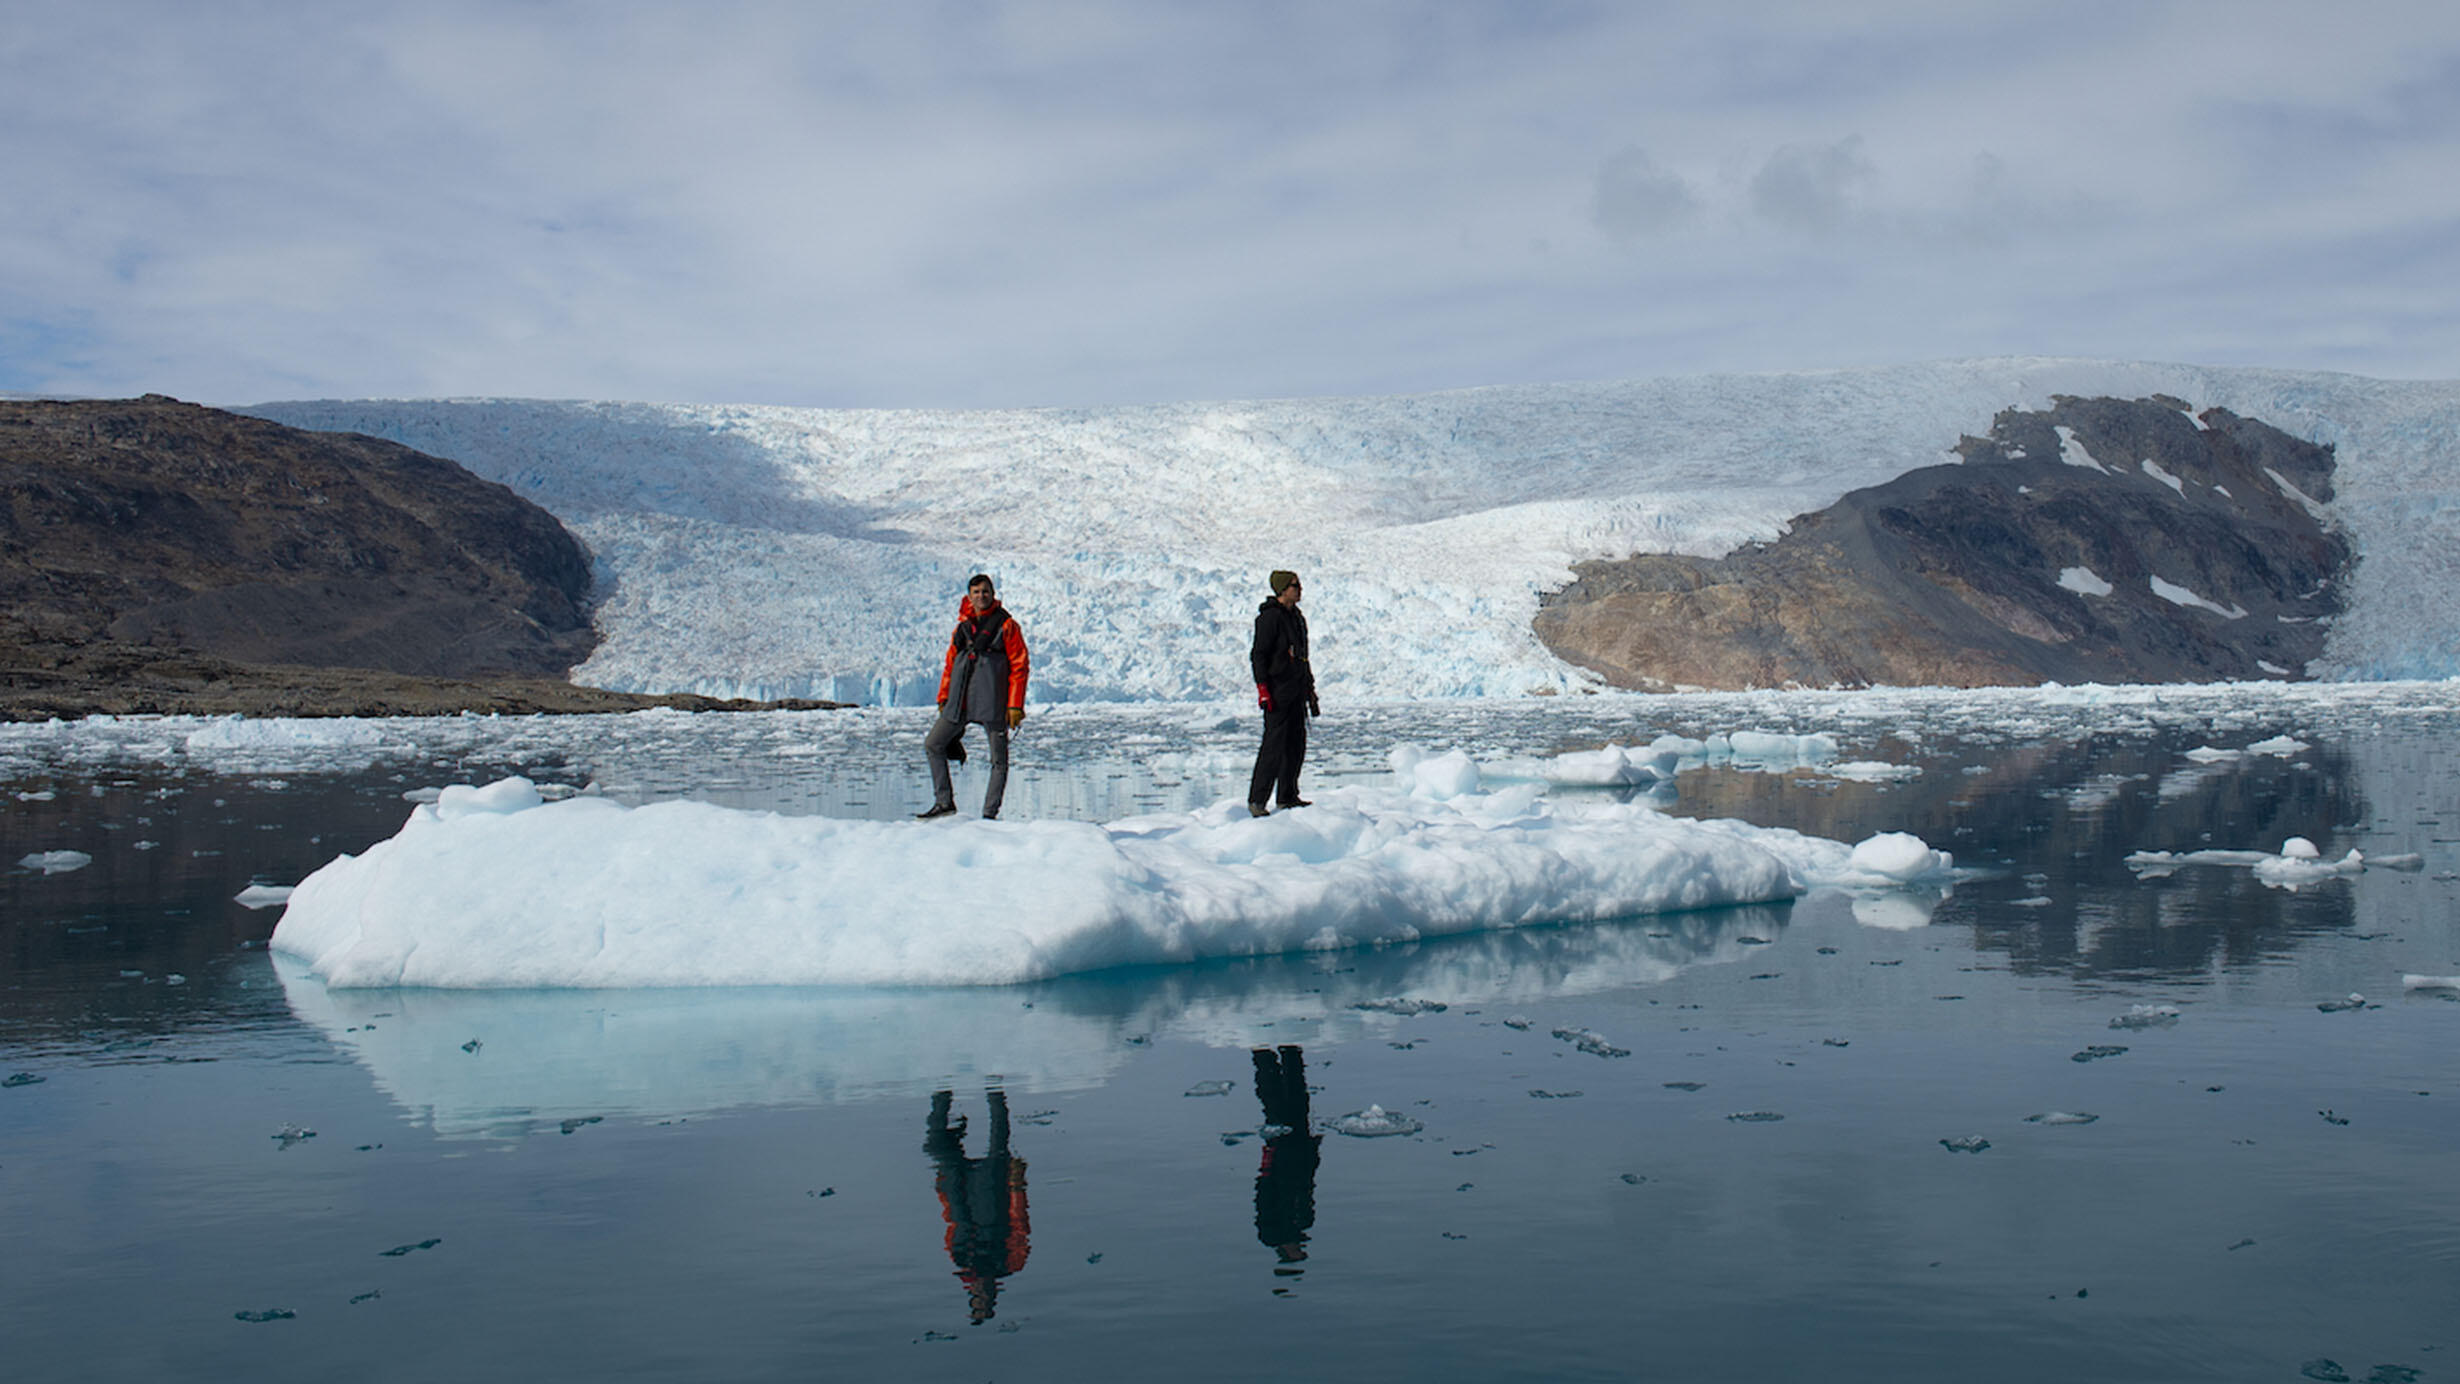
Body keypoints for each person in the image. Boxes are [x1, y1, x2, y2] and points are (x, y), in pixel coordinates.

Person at [919, 573, 1029, 820]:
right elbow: (950, 664)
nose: (981, 596)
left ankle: (989, 814)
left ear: (993, 594)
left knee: (998, 760)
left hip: (994, 700)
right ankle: (944, 802)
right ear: (969, 595)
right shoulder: (963, 627)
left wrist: (1015, 705)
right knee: (933, 744)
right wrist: (943, 697)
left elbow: (1019, 665)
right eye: (977, 592)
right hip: (961, 699)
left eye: (986, 591)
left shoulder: (1007, 626)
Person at [924, 1089, 1031, 1324]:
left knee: (935, 1147)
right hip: (993, 1203)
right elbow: (1019, 1225)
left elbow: (951, 1224)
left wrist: (943, 1189)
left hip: (959, 1195)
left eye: (976, 1297)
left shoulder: (961, 1260)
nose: (980, 1291)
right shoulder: (1009, 1263)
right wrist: (1016, 1187)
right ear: (993, 1295)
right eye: (984, 1298)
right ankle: (994, 1089)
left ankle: (941, 1093)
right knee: (998, 1147)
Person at [1247, 569, 1318, 816]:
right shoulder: (1269, 619)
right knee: (1273, 747)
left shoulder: (1297, 618)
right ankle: (1257, 801)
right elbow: (1258, 655)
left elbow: (1302, 657)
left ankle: (1287, 796)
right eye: (1295, 585)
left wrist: (1309, 687)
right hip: (1277, 693)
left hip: (1296, 690)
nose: (1299, 589)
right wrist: (1263, 688)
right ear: (1282, 589)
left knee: (1296, 745)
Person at [1251, 1045, 1321, 1268]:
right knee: (1298, 1100)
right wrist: (1314, 1155)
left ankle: (1263, 1054)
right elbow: (1309, 1187)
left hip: (1282, 1162)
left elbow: (1263, 1194)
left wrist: (1267, 1164)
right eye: (1301, 1252)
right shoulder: (1304, 1222)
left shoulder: (1271, 1230)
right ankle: (1291, 1052)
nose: (1300, 1249)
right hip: (1299, 1156)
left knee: (1275, 1103)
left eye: (1297, 1253)